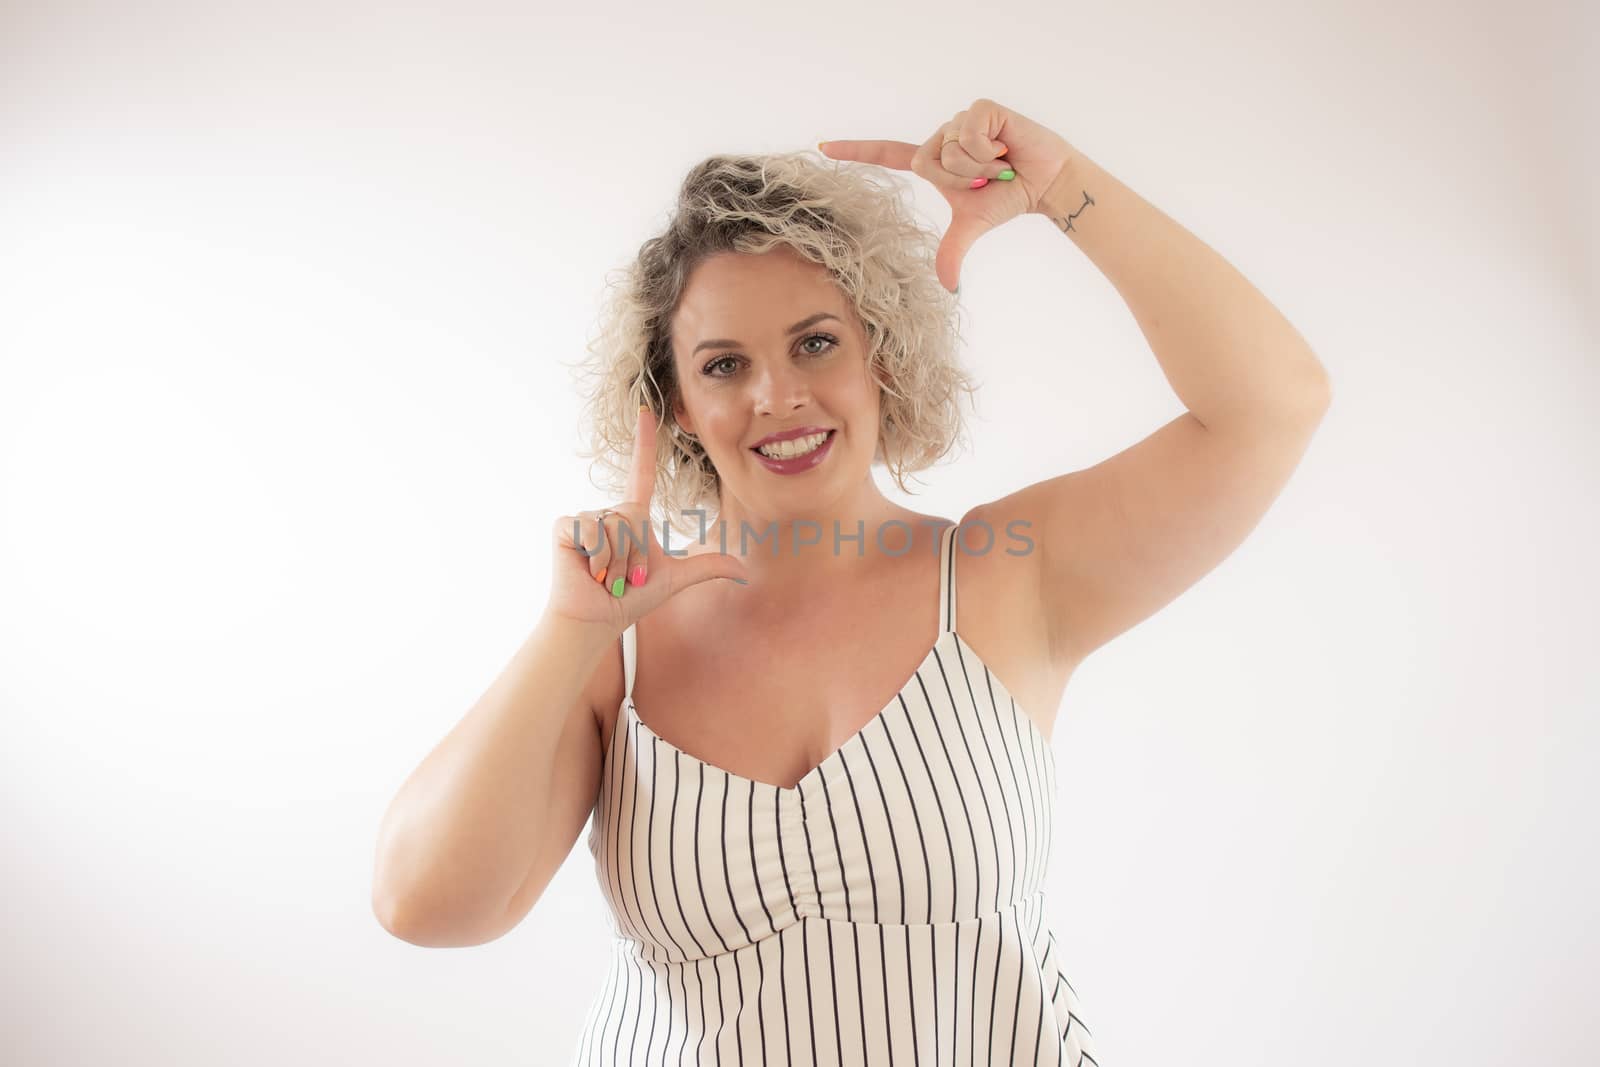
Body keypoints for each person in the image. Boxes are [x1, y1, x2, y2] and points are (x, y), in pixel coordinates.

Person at [373, 98, 1332, 1066]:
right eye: (723, 364)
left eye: (816, 342)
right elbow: (424, 905)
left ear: (882, 348)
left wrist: (1058, 190)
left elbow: (1270, 405)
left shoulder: (1008, 573)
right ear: (673, 408)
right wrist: (566, 629)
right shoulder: (618, 642)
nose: (777, 395)